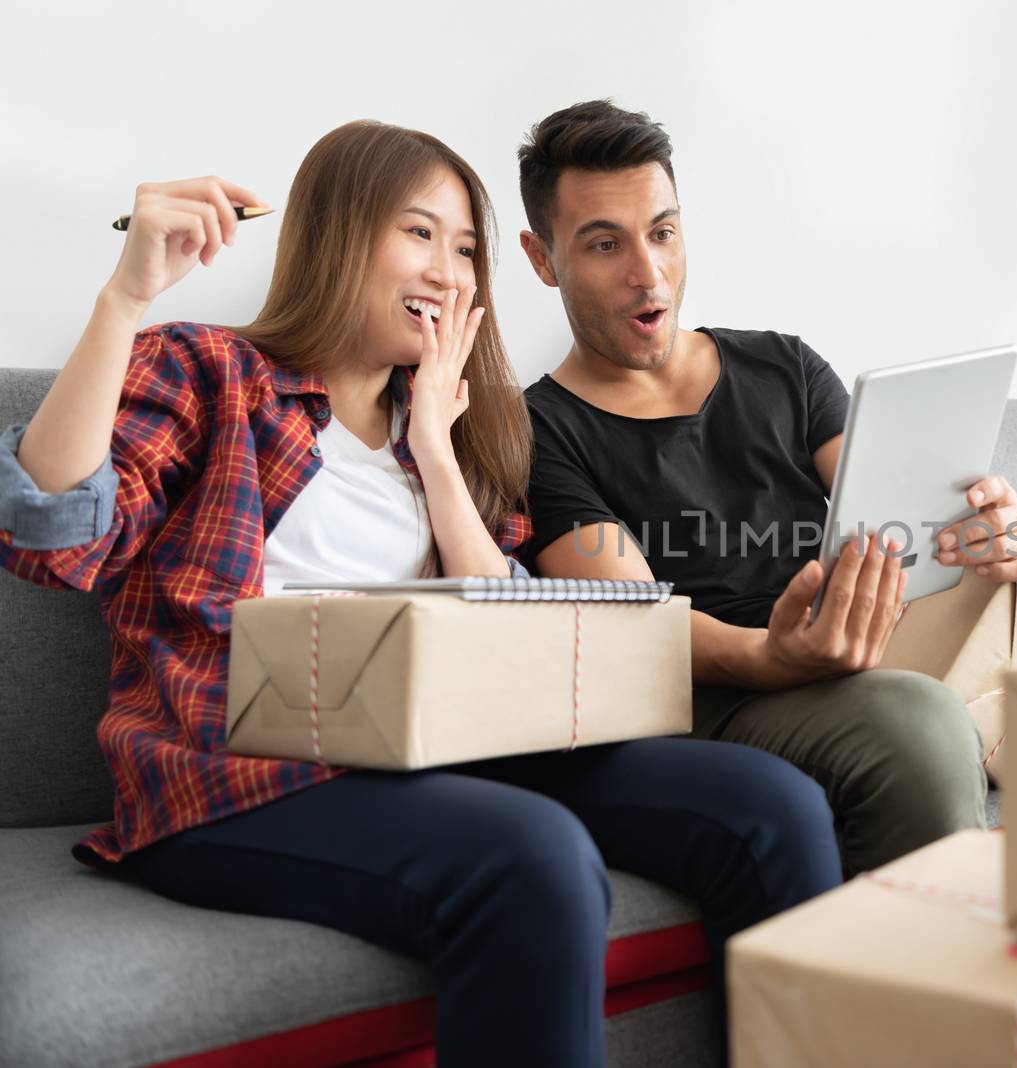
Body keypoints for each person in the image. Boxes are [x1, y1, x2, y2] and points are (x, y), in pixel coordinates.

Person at [0, 120, 840, 1067]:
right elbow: (51, 539)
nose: (448, 270)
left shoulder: (453, 428)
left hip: (450, 748)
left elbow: (511, 630)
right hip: (243, 773)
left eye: (467, 247)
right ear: (337, 236)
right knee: (534, 857)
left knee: (772, 804)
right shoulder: (209, 371)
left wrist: (437, 452)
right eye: (418, 233)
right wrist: (125, 297)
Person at [515, 101, 1017, 876]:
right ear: (543, 259)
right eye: (603, 244)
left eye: (662, 232)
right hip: (713, 701)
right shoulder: (537, 431)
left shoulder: (784, 368)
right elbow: (638, 623)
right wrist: (770, 657)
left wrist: (985, 534)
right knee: (919, 724)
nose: (647, 272)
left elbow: (902, 507)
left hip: (844, 660)